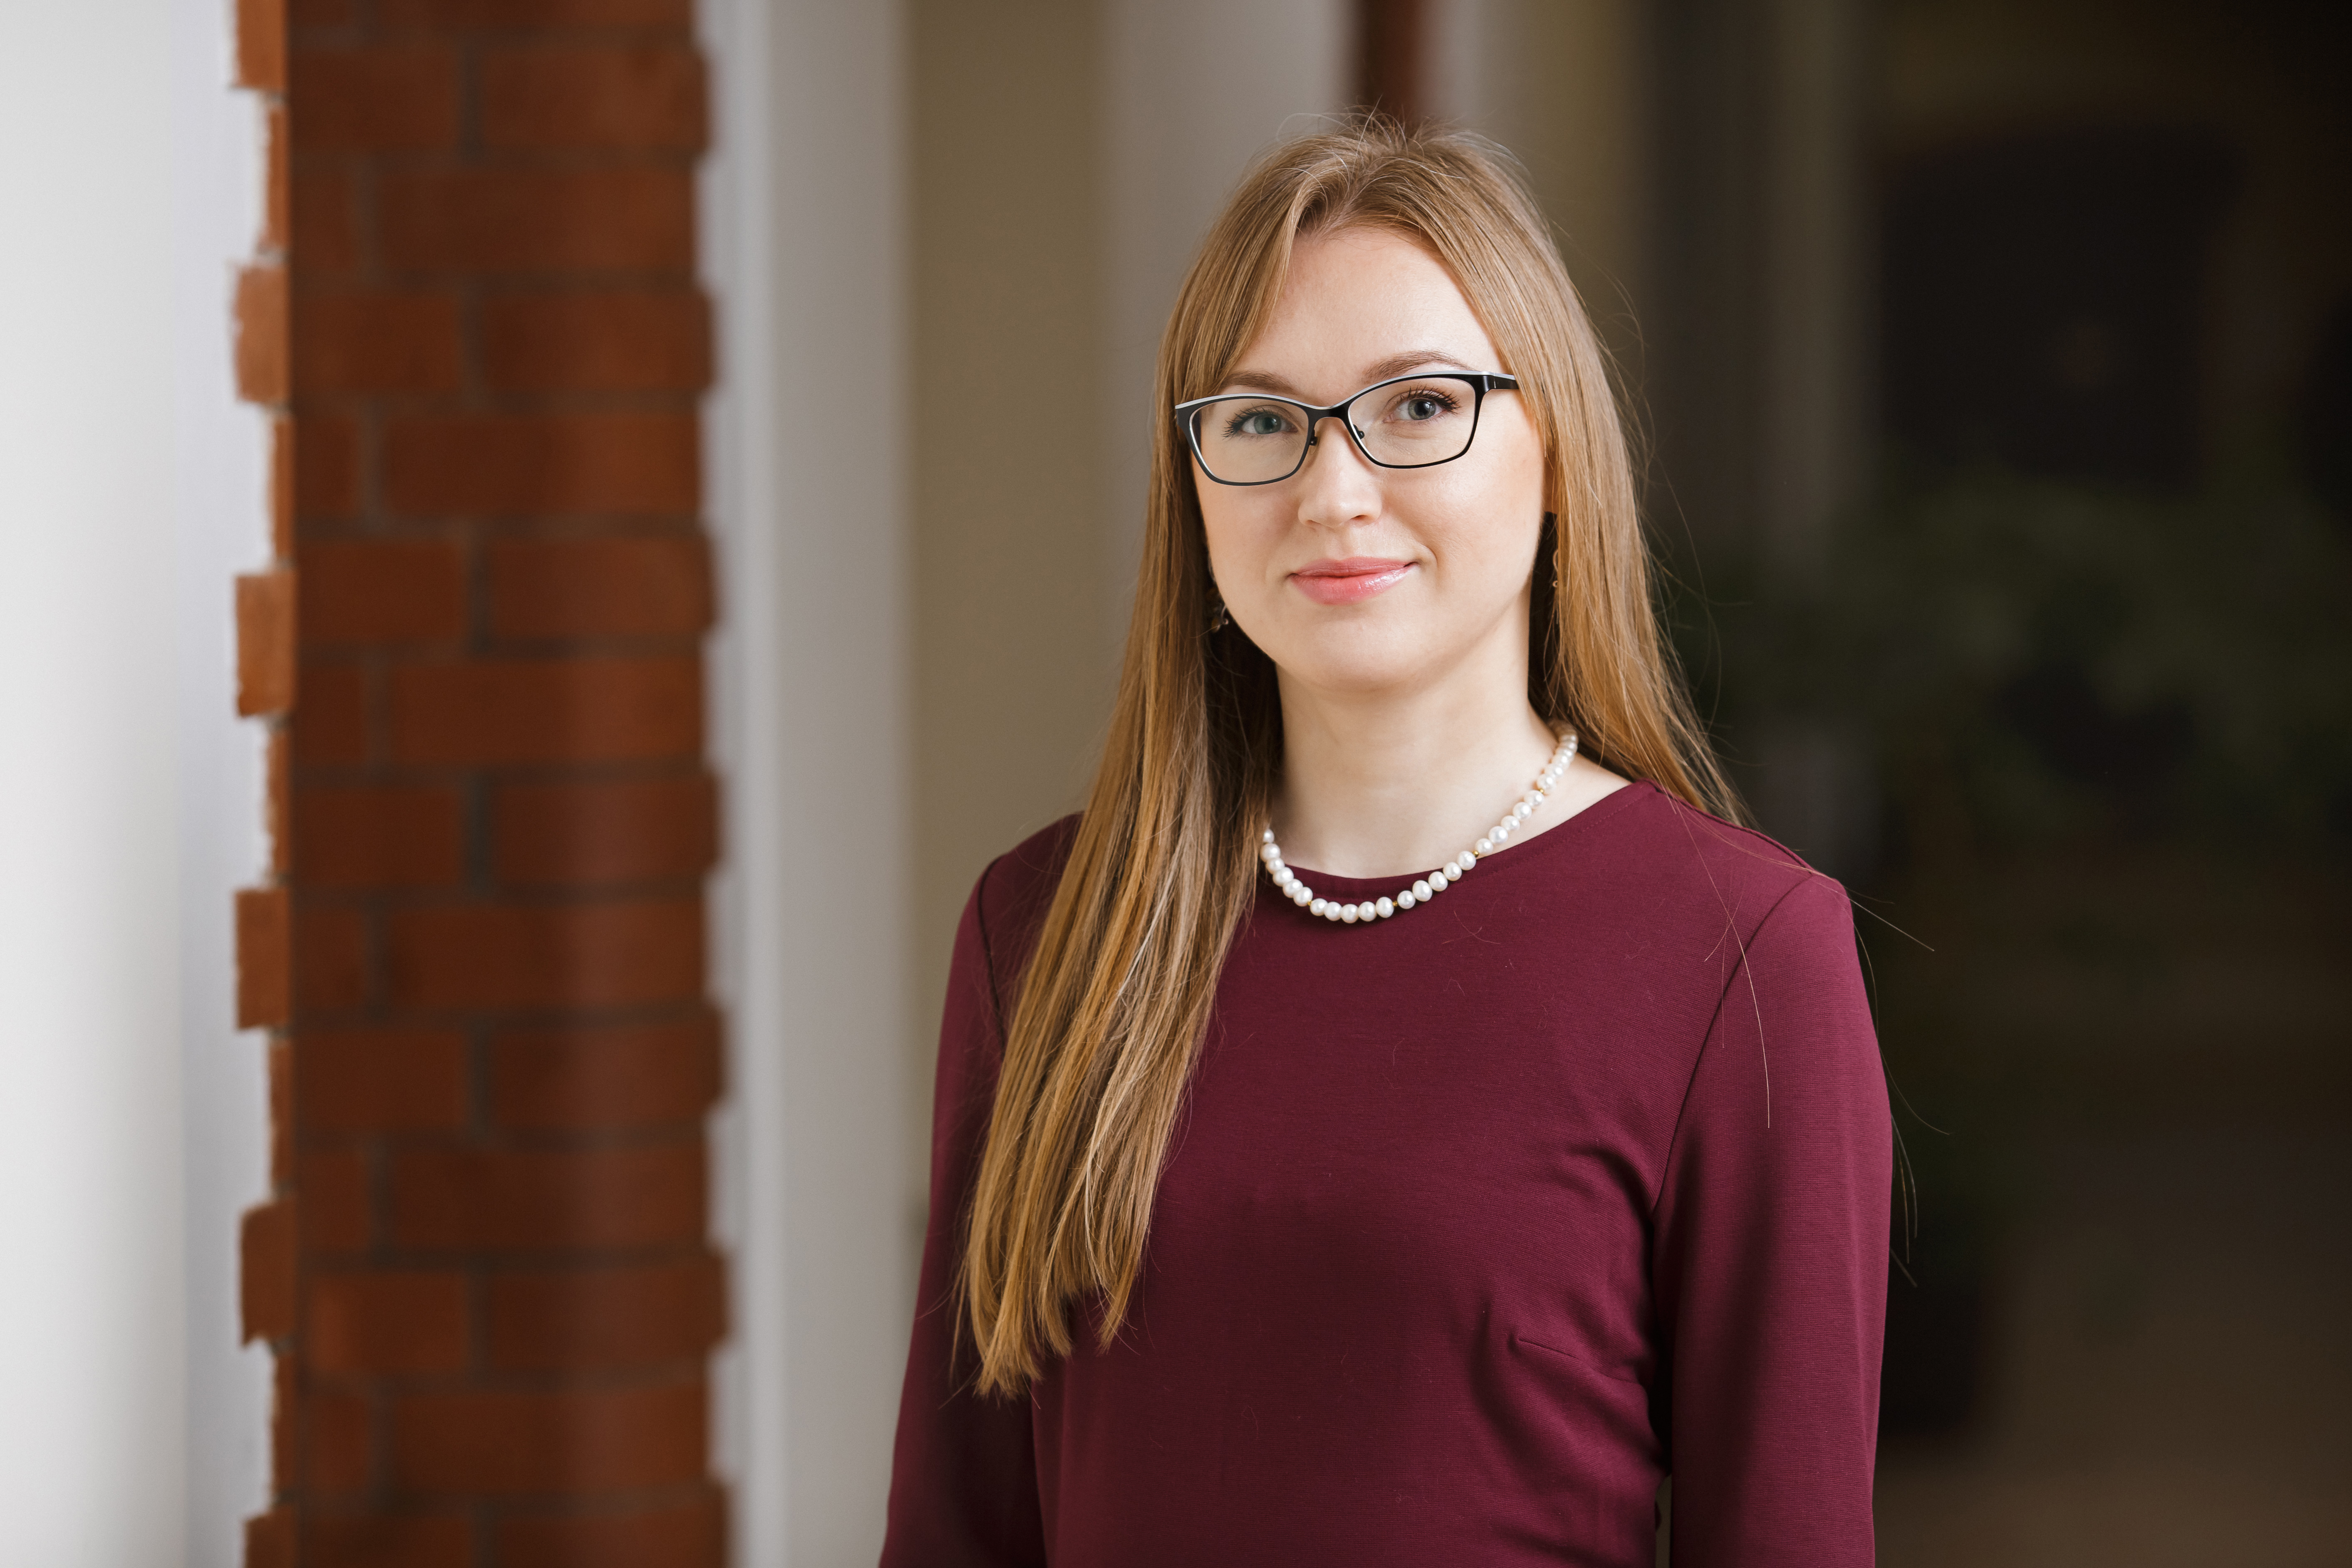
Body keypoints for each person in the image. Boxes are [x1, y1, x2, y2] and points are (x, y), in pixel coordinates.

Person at [881, 119, 1891, 1567]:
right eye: (1260, 420)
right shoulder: (1043, 926)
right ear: (1194, 482)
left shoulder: (1744, 957)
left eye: (1419, 406)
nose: (1333, 489)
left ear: (1555, 454)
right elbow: (953, 1534)